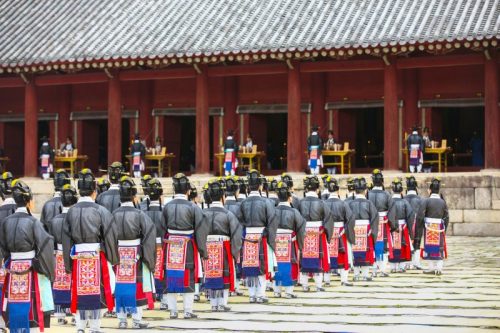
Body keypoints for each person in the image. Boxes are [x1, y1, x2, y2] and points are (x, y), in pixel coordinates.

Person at [62, 168, 119, 333]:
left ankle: (80, 326)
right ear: (94, 192)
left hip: (78, 256)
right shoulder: (101, 211)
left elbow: (66, 239)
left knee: (79, 291)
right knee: (97, 291)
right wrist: (112, 257)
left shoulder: (71, 212)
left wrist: (68, 262)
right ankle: (95, 326)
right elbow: (109, 235)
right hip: (96, 254)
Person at [0, 180, 55, 333]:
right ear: (29, 201)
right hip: (30, 267)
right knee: (30, 303)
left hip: (12, 267)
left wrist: (9, 260)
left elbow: (3, 247)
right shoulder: (33, 222)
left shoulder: (6, 222)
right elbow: (45, 244)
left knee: (14, 301)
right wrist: (46, 269)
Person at [162, 173, 207, 319]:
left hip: (170, 245)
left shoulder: (167, 207)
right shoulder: (193, 207)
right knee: (189, 275)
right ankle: (187, 310)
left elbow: (162, 228)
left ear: (174, 189)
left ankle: (173, 311)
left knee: (171, 277)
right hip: (187, 244)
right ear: (188, 190)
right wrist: (202, 249)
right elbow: (201, 229)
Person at [112, 176, 156, 329]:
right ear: (134, 196)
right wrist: (145, 255)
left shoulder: (113, 215)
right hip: (136, 252)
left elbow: (107, 236)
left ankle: (122, 320)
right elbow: (149, 235)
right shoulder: (139, 215)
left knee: (120, 286)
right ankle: (137, 320)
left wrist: (112, 255)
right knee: (136, 287)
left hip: (117, 253)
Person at [202, 180, 242, 312]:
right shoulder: (228, 214)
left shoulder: (203, 213)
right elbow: (236, 234)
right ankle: (222, 303)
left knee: (210, 274)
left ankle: (213, 303)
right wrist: (235, 252)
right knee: (224, 275)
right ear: (222, 197)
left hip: (207, 246)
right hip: (223, 245)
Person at [239, 169, 277, 303]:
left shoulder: (243, 203)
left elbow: (239, 222)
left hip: (248, 235)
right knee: (261, 266)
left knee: (249, 266)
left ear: (248, 186)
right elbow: (272, 221)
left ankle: (251, 295)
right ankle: (261, 295)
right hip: (261, 235)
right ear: (261, 186)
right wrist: (269, 236)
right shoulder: (267, 202)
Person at [47, 184, 78, 325]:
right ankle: (73, 313)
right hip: (73, 255)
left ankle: (59, 314)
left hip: (58, 255)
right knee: (73, 283)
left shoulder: (54, 220)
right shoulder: (76, 218)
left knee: (59, 283)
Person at [297, 175, 333, 292]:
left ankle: (304, 285)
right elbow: (328, 220)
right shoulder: (322, 203)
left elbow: (296, 219)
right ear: (317, 189)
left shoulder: (300, 203)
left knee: (303, 258)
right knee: (318, 258)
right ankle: (318, 285)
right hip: (318, 231)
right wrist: (327, 234)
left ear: (306, 189)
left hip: (303, 232)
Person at [273, 182, 305, 298]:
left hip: (275, 241)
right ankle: (288, 291)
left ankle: (276, 291)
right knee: (289, 264)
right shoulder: (294, 212)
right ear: (290, 198)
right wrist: (300, 244)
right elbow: (301, 228)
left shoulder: (273, 211)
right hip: (289, 240)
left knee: (276, 265)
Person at [323, 176, 355, 286]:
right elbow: (350, 219)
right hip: (341, 231)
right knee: (343, 255)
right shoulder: (343, 203)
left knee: (327, 255)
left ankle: (326, 280)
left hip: (327, 231)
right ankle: (344, 279)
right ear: (338, 190)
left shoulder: (324, 203)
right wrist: (347, 230)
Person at [142, 177, 167, 309]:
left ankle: (148, 298)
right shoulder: (165, 211)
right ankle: (163, 299)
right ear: (161, 194)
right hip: (162, 244)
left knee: (148, 271)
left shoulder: (143, 212)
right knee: (163, 270)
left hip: (147, 245)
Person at [415, 178, 449, 275]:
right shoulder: (443, 202)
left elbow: (420, 215)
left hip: (428, 226)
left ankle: (431, 268)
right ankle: (439, 268)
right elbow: (446, 216)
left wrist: (419, 227)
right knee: (439, 247)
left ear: (429, 190)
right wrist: (444, 229)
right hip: (439, 226)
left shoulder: (426, 201)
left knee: (429, 247)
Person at [347, 177, 379, 281]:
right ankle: (365, 275)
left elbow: (346, 218)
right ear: (365, 191)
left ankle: (356, 275)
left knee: (354, 252)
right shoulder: (369, 203)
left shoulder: (350, 204)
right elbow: (375, 218)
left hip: (354, 229)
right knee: (366, 252)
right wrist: (373, 231)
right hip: (366, 230)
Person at [367, 169, 392, 277]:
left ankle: (373, 269)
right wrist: (392, 224)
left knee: (371, 244)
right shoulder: (387, 194)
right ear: (382, 180)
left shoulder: (368, 194)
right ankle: (382, 269)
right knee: (383, 246)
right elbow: (392, 210)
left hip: (370, 222)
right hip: (383, 222)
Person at [387, 178, 414, 273]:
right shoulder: (405, 202)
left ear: (392, 189)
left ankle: (393, 267)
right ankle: (402, 267)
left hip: (391, 226)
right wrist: (411, 233)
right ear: (401, 190)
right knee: (403, 246)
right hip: (403, 227)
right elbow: (410, 216)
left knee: (392, 246)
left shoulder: (389, 202)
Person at [224, 176, 244, 296]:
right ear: (237, 191)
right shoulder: (239, 205)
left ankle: (227, 286)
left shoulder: (223, 205)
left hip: (223, 237)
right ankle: (235, 286)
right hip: (237, 236)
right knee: (235, 261)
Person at [404, 176, 423, 270]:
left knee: (406, 242)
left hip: (405, 224)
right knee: (417, 242)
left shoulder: (403, 199)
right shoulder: (420, 200)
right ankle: (416, 262)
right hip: (417, 223)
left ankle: (407, 262)